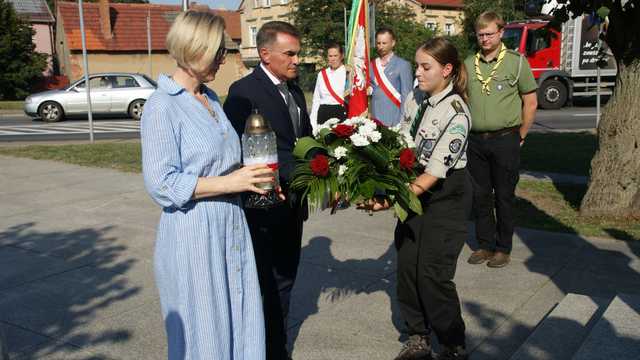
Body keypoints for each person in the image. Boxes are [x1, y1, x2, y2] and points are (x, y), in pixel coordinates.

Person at [141, 11, 273, 360]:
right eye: (217, 51)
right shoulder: (162, 106)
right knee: (205, 329)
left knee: (238, 315)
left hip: (230, 223)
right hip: (194, 231)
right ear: (193, 47)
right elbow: (161, 183)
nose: (222, 59)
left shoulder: (211, 99)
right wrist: (231, 181)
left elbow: (224, 163)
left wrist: (255, 180)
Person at [364, 36, 472, 360]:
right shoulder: (415, 98)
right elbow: (401, 139)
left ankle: (453, 343)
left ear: (447, 70)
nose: (418, 74)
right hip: (413, 188)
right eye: (418, 66)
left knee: (432, 273)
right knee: (408, 269)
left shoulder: (457, 113)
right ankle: (418, 336)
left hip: (444, 195)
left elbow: (435, 172)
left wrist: (391, 199)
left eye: (426, 67)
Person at [223, 21, 312, 360]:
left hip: (293, 204)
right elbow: (237, 152)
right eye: (290, 54)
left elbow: (301, 140)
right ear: (265, 53)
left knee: (286, 279)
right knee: (264, 285)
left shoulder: (293, 89)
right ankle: (261, 348)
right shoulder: (244, 91)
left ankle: (277, 346)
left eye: (298, 53)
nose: (296, 60)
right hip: (263, 207)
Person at [464, 11, 538, 268]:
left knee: (504, 195)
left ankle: (503, 248)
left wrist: (522, 135)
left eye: (489, 34)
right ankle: (484, 244)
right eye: (480, 34)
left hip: (505, 138)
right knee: (480, 195)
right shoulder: (467, 63)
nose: (484, 39)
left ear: (501, 32)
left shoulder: (516, 63)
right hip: (476, 141)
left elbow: (530, 101)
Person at [370, 27, 413, 126]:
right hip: (374, 119)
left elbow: (407, 96)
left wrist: (402, 121)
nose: (380, 46)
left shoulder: (403, 65)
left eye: (384, 43)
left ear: (393, 43)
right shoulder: (371, 65)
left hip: (394, 118)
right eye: (378, 43)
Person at [309, 42, 347, 133]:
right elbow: (316, 100)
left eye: (335, 55)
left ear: (341, 56)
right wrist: (313, 123)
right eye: (330, 56)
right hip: (323, 113)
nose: (333, 59)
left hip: (340, 112)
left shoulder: (348, 73)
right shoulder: (321, 75)